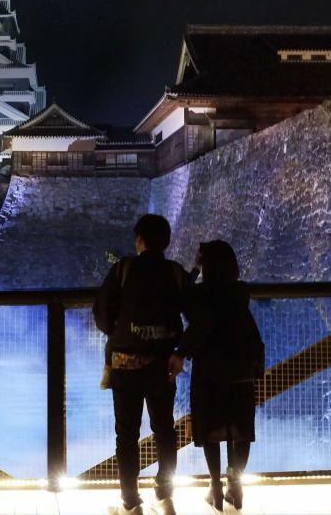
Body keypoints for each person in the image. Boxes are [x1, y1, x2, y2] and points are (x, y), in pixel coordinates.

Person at [94, 214, 188, 515]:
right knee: (164, 430)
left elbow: (101, 313)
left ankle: (131, 503)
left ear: (140, 241)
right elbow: (199, 316)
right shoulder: (175, 273)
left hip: (125, 365)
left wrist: (120, 332)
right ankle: (165, 495)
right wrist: (181, 350)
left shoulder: (124, 268)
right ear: (166, 242)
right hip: (163, 365)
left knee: (127, 435)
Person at [169, 240, 264, 513]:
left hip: (209, 368)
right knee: (240, 427)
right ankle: (235, 483)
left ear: (206, 265)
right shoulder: (240, 291)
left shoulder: (199, 295)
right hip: (242, 367)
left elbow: (185, 301)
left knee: (210, 428)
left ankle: (214, 487)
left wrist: (195, 269)